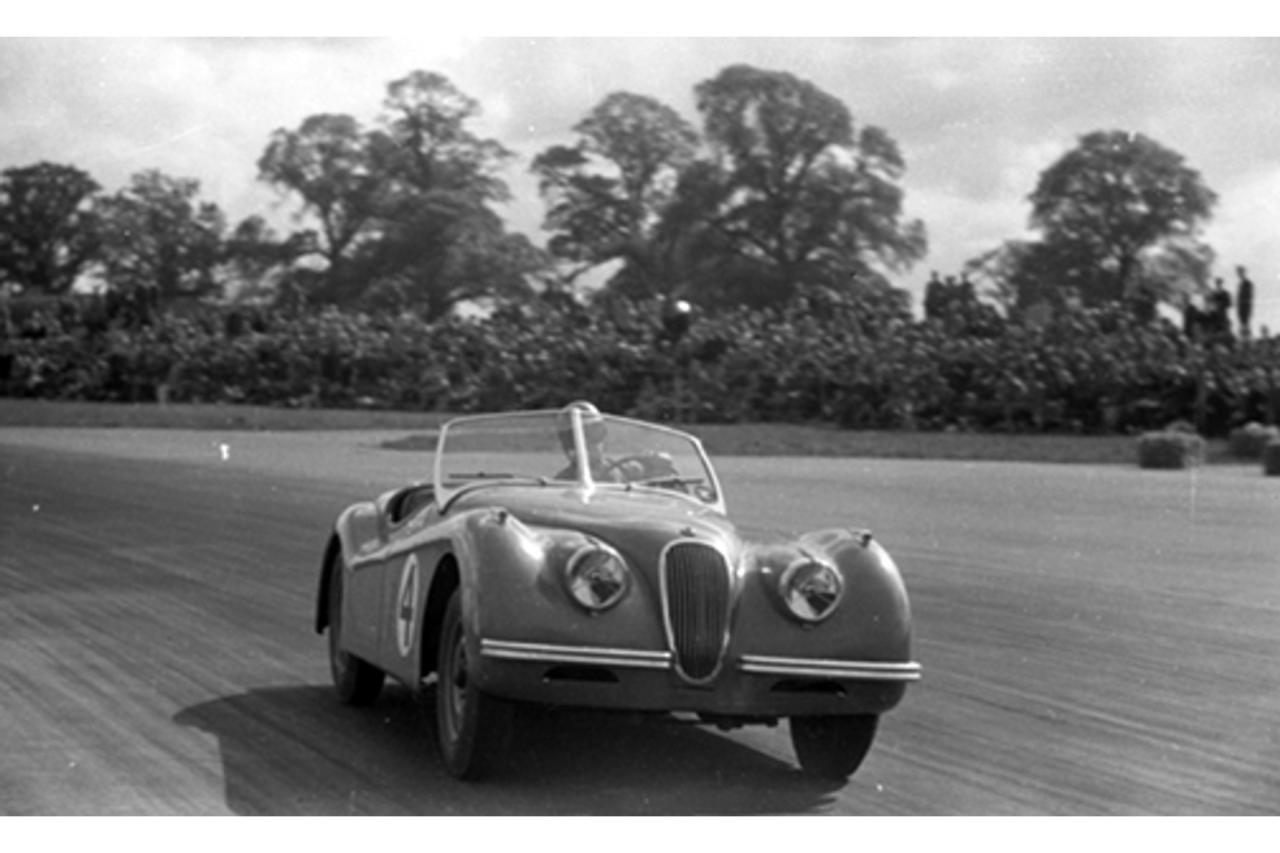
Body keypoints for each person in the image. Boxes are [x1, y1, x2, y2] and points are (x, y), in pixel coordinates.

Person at [1236, 265, 1254, 338]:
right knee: (1243, 325)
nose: (1239, 274)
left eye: (1240, 272)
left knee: (1246, 325)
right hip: (1241, 309)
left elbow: (1249, 297)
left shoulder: (1248, 283)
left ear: (1244, 273)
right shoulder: (1240, 284)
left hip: (1246, 308)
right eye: (1238, 273)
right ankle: (1244, 337)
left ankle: (1248, 337)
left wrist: (1245, 308)